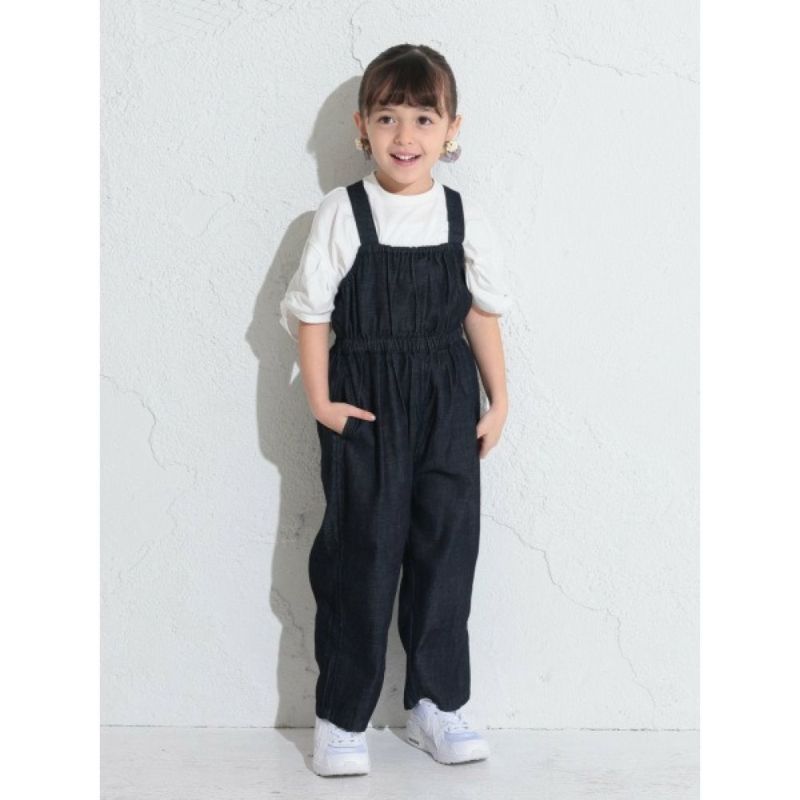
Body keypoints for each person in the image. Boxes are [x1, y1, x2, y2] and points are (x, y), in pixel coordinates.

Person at [279, 43, 511, 777]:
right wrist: (321, 401)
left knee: (448, 550)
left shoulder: (461, 214)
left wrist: (500, 398)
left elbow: (479, 312)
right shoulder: (342, 212)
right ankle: (342, 717)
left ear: (452, 130)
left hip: (448, 401)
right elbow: (312, 311)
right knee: (363, 553)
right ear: (362, 127)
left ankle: (437, 704)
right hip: (368, 405)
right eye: (387, 118)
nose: (404, 136)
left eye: (423, 118)